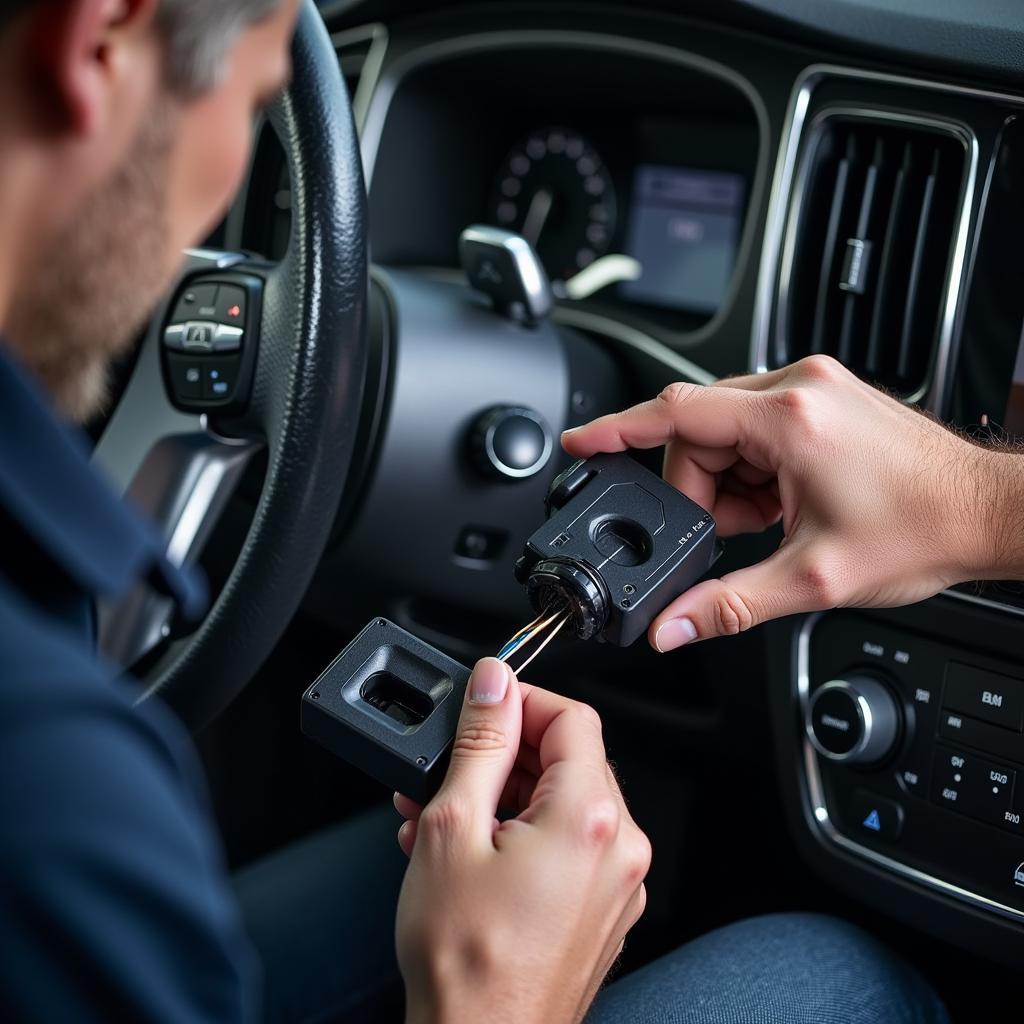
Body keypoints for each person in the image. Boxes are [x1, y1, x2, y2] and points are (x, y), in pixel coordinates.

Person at [0, 1, 955, 1021]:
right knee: (841, 978)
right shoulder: (57, 782)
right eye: (253, 99)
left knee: (392, 867)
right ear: (99, 40)